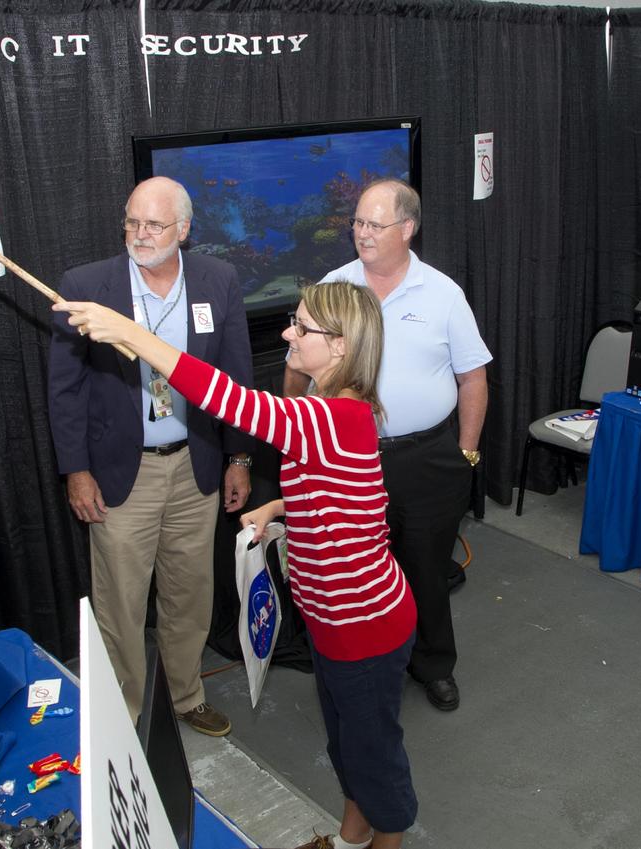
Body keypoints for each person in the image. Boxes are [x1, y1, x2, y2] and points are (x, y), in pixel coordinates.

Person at [55, 281, 419, 849]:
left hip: (364, 627)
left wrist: (129, 333)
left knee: (374, 753)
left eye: (302, 328)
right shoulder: (329, 415)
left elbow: (226, 398)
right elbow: (345, 496)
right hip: (332, 623)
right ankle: (353, 835)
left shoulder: (333, 420)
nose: (287, 334)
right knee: (345, 742)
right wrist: (278, 506)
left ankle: (386, 841)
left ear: (343, 346)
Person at [46, 176, 253, 736]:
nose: (140, 234)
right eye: (132, 222)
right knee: (121, 603)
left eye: (154, 225)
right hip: (119, 475)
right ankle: (127, 716)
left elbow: (235, 374)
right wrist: (75, 470)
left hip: (197, 465)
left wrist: (239, 457)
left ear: (183, 230)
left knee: (190, 591)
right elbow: (64, 391)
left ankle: (186, 696)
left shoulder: (218, 280)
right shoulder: (86, 288)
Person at [285, 178, 490, 711]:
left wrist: (466, 454)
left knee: (424, 566)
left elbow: (473, 378)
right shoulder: (334, 287)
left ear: (407, 229)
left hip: (426, 459)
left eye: (374, 224)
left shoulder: (443, 293)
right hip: (349, 460)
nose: (361, 233)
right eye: (357, 222)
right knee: (355, 570)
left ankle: (433, 665)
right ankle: (365, 664)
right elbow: (297, 371)